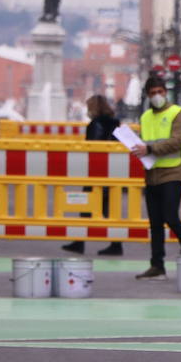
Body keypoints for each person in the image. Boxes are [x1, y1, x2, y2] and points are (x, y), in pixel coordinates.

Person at [129, 74, 181, 279]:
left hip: (173, 172)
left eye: (160, 92)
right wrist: (138, 149)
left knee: (170, 216)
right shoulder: (145, 117)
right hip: (152, 174)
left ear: (165, 92)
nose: (157, 96)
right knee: (155, 222)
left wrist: (148, 148)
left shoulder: (177, 113)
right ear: (148, 96)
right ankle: (157, 264)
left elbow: (177, 141)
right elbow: (144, 142)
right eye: (152, 93)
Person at [63, 95, 123, 255]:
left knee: (91, 206)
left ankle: (83, 242)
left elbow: (94, 146)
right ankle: (110, 243)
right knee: (105, 209)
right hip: (112, 170)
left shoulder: (95, 124)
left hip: (97, 171)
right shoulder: (115, 123)